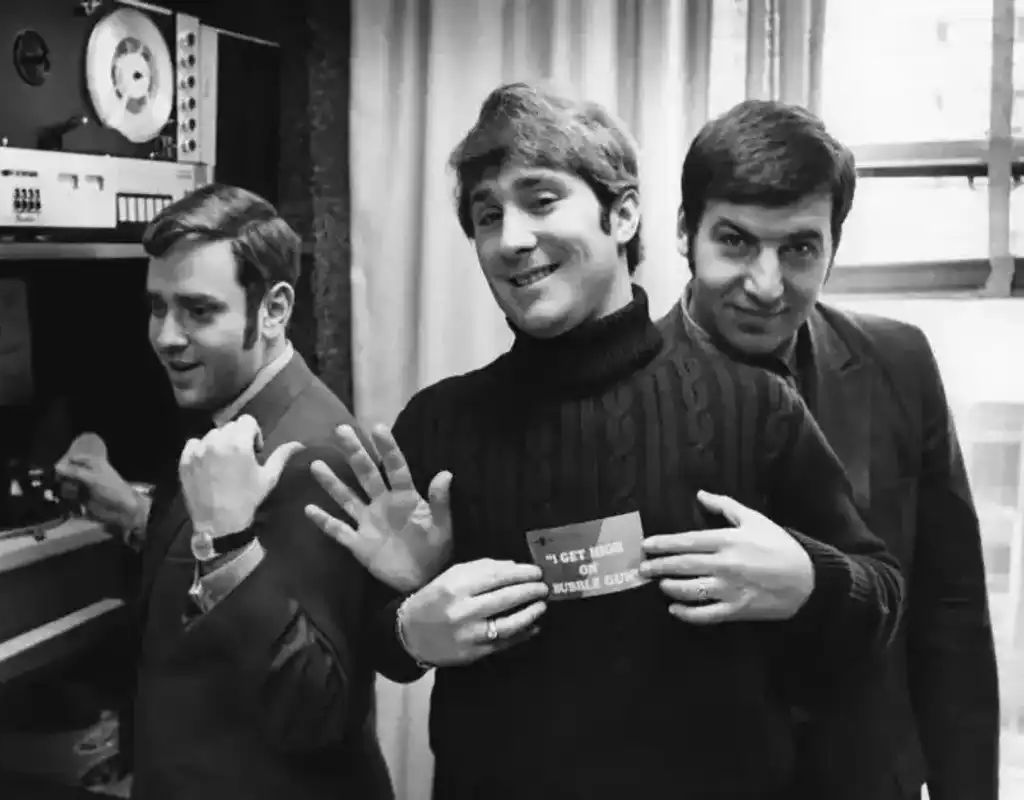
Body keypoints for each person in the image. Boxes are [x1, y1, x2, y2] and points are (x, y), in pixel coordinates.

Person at [304, 82, 905, 800]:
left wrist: (809, 579)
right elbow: (381, 650)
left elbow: (882, 599)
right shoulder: (439, 426)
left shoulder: (754, 407)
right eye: (487, 214)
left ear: (623, 213)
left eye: (542, 199)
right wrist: (405, 623)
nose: (511, 238)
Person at [656, 99, 1000, 800]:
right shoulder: (617, 387)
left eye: (800, 249)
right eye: (736, 242)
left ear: (834, 247)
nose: (767, 285)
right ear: (686, 232)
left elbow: (951, 610)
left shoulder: (899, 362)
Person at [54, 184, 395, 800]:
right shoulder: (231, 412)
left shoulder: (311, 454)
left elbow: (313, 711)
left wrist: (231, 547)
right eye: (157, 307)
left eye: (198, 311)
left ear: (274, 310)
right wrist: (138, 517)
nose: (166, 336)